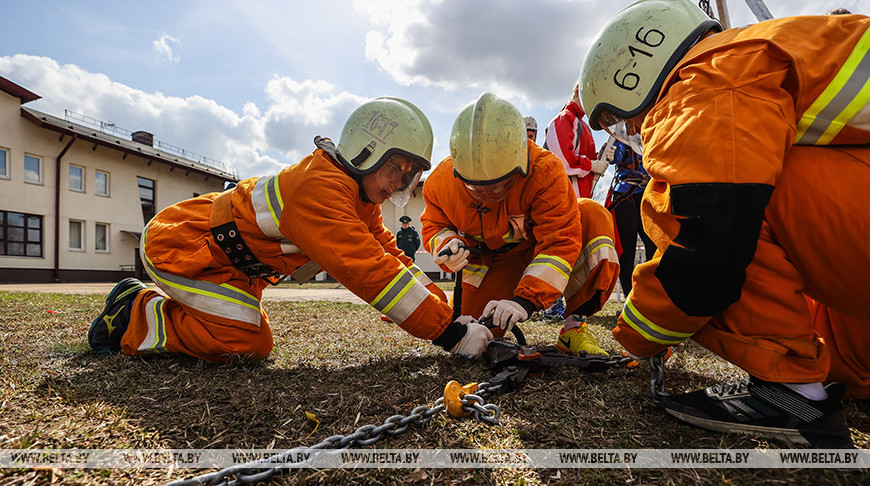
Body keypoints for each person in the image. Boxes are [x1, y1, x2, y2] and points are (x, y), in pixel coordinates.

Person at [579, 0, 870, 447]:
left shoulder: (710, 81)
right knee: (845, 364)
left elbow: (709, 246)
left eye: (621, 117)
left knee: (725, 192)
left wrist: (638, 332)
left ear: (637, 79)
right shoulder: (757, 55)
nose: (632, 129)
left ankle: (797, 395)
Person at [88, 97, 493, 362]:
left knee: (249, 342)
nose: (398, 183)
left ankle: (153, 310)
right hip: (182, 244)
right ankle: (133, 313)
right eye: (395, 168)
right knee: (245, 344)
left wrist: (451, 314)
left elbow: (391, 257)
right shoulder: (321, 189)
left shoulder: (355, 196)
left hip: (227, 261)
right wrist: (449, 333)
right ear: (365, 150)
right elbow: (370, 271)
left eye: (408, 175)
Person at [422, 92, 620, 357]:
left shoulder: (545, 171)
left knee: (592, 214)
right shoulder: (440, 182)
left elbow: (560, 241)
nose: (489, 195)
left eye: (500, 185)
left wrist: (525, 299)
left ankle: (574, 327)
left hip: (536, 249)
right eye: (476, 188)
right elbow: (433, 225)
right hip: (489, 261)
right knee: (476, 336)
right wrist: (447, 244)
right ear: (458, 169)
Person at [603, 138, 655, 297]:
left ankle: (651, 295)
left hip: (647, 192)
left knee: (654, 247)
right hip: (626, 195)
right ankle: (630, 298)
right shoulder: (620, 134)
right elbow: (616, 156)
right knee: (626, 252)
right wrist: (609, 152)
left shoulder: (649, 130)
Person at [543, 81, 608, 199]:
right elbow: (562, 162)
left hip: (581, 200)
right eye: (591, 94)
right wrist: (592, 165)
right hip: (562, 201)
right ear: (578, 92)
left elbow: (585, 161)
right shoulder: (564, 118)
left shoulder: (584, 126)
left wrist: (601, 157)